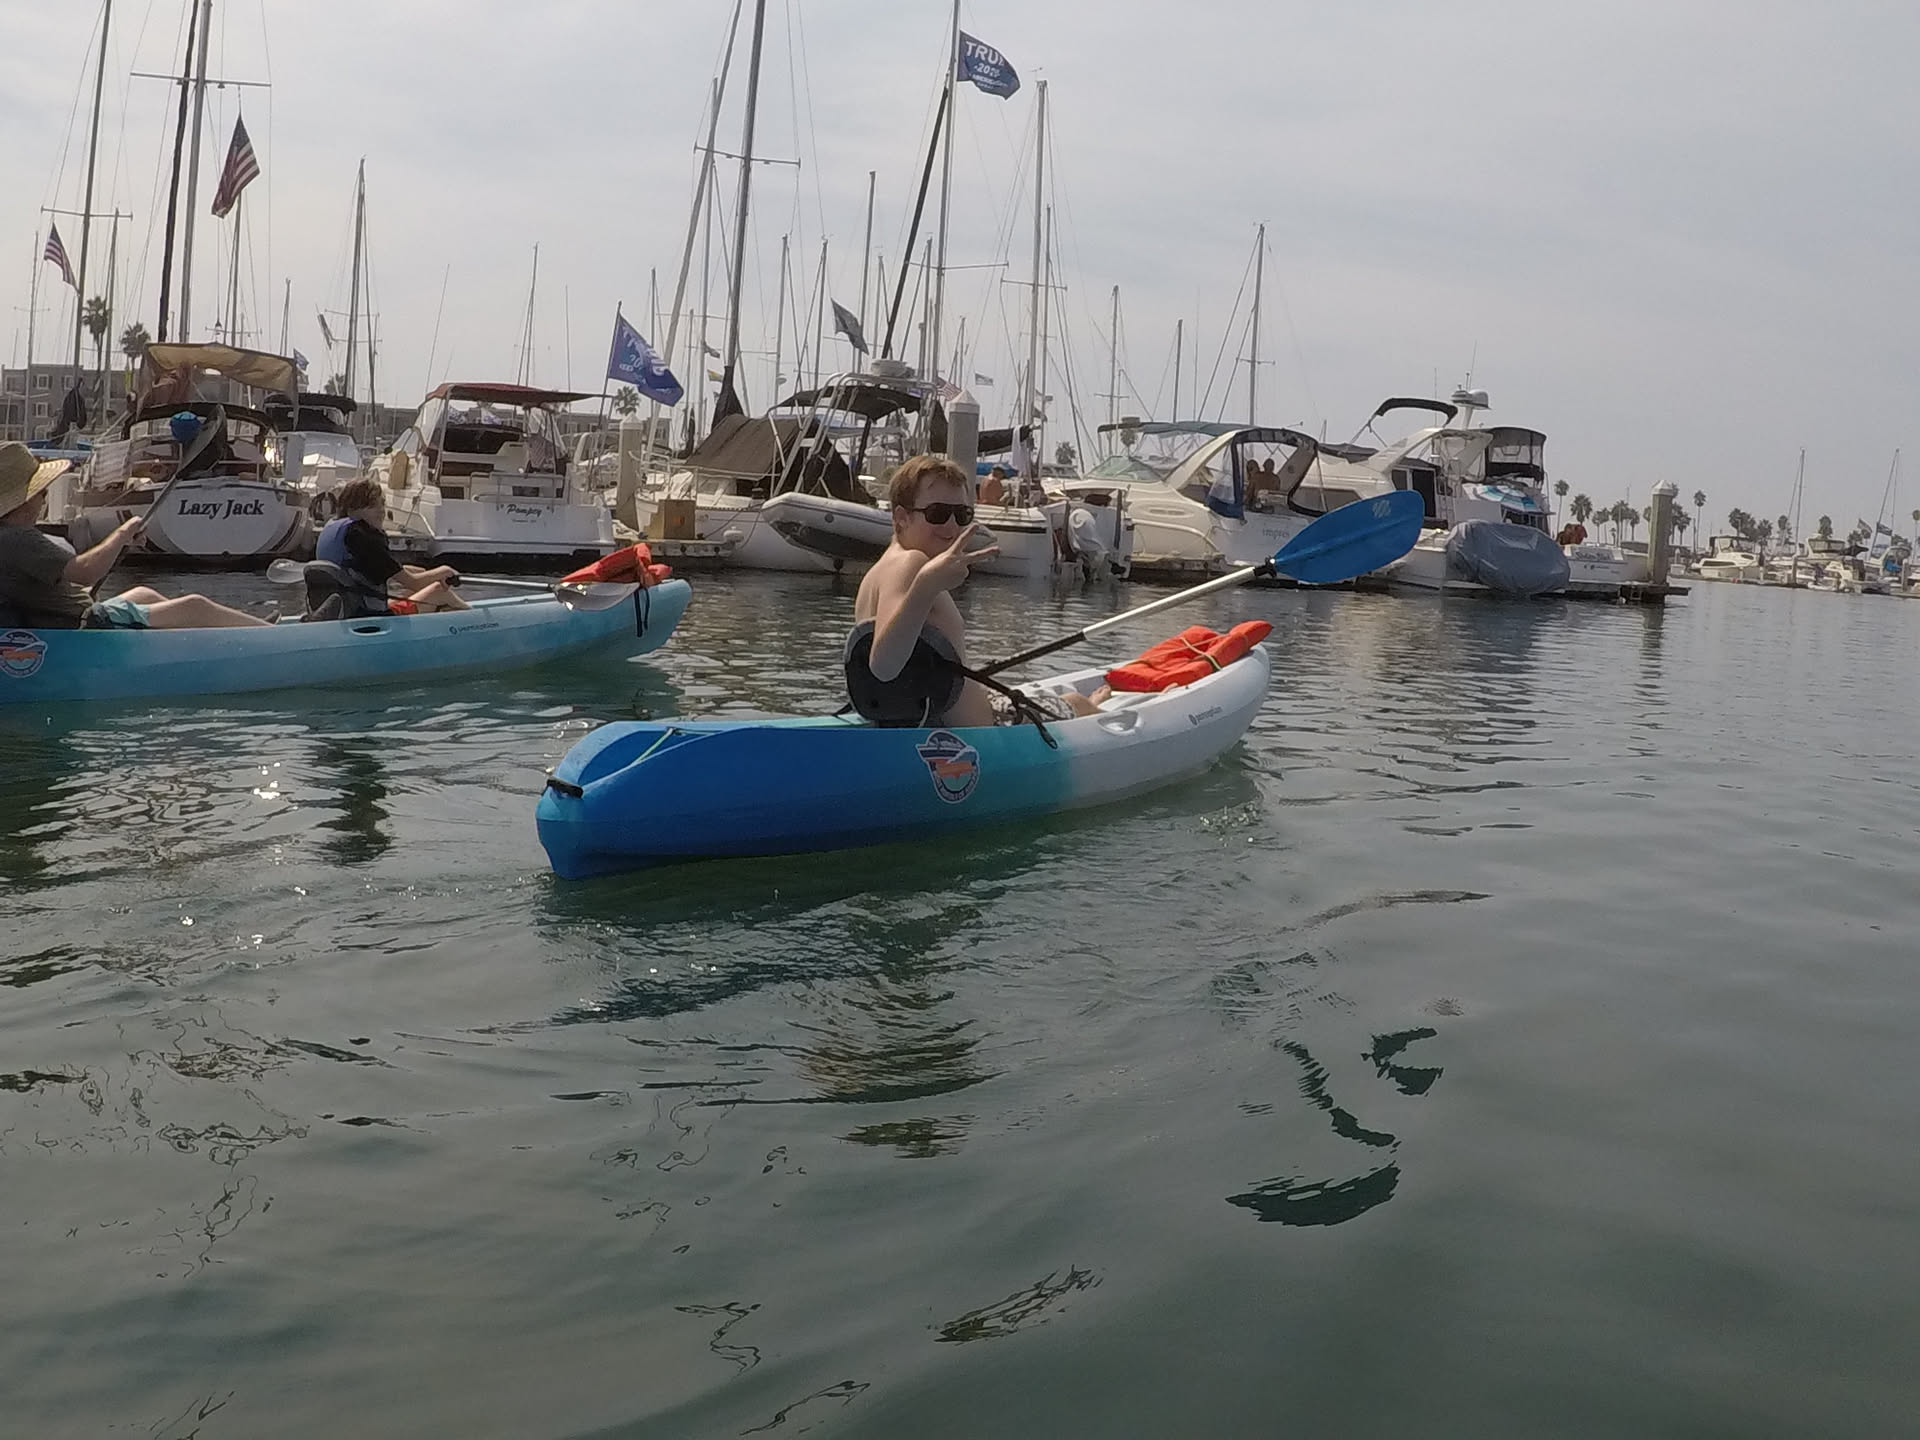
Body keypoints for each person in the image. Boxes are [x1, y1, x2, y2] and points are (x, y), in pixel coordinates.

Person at [845, 454, 1108, 728]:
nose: (951, 526)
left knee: (1055, 700)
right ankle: (1090, 705)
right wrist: (927, 585)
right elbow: (883, 668)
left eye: (961, 515)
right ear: (901, 518)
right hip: (984, 732)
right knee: (1077, 702)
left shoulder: (881, 570)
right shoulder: (911, 564)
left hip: (935, 724)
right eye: (937, 513)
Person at [0, 441, 272, 630]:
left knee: (144, 594)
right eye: (42, 493)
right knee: (195, 605)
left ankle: (208, 635)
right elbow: (86, 572)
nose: (44, 499)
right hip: (85, 625)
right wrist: (122, 532)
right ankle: (271, 638)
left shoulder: (8, 538)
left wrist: (120, 544)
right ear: (25, 501)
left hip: (70, 618)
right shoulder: (18, 538)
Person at [312, 477, 467, 616]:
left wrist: (422, 573)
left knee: (414, 588)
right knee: (439, 591)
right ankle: (475, 622)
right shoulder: (362, 538)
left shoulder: (337, 529)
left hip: (353, 609)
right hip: (369, 617)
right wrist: (444, 571)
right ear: (352, 510)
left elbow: (376, 569)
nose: (381, 510)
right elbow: (415, 582)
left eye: (382, 504)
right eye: (372, 505)